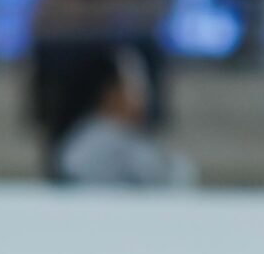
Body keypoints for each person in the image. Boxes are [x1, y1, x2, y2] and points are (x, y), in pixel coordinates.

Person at [56, 47, 194, 188]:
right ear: (110, 93)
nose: (144, 97)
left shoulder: (132, 139)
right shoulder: (90, 143)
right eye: (135, 87)